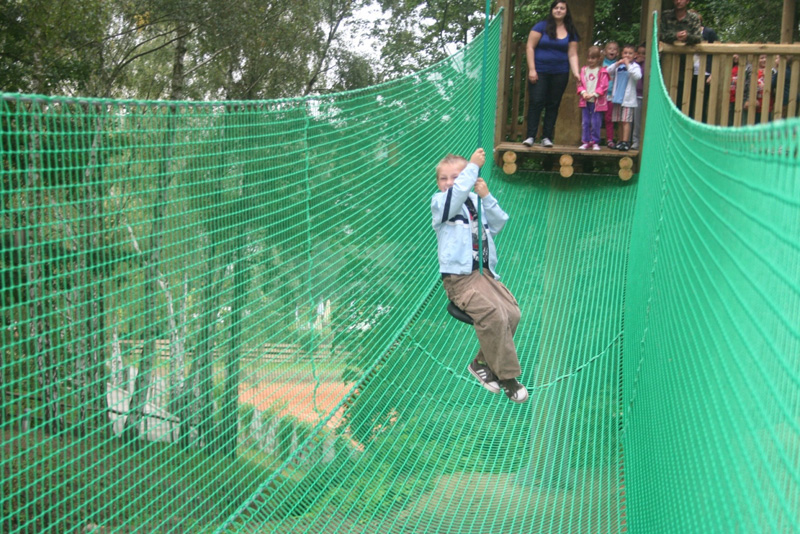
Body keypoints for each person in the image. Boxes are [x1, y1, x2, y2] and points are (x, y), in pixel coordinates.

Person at [431, 148, 527, 403]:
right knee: (493, 315)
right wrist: (472, 167)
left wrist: (486, 196)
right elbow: (454, 196)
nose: (449, 182)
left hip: (484, 276)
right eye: (444, 178)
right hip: (460, 280)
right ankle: (508, 378)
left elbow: (498, 223)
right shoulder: (441, 204)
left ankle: (481, 363)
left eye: (456, 177)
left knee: (512, 313)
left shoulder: (475, 201)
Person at [522, 1, 580, 148]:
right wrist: (532, 69)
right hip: (540, 71)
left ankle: (546, 137)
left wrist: (576, 72)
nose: (559, 10)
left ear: (566, 11)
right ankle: (530, 136)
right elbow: (530, 47)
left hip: (560, 72)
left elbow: (572, 54)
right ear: (552, 10)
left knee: (553, 104)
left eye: (562, 8)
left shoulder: (570, 30)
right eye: (556, 8)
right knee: (536, 101)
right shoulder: (540, 26)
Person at [607, 44, 642, 151]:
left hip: (627, 100)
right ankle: (620, 140)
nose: (627, 55)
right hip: (617, 98)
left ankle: (625, 142)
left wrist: (628, 65)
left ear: (635, 55)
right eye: (625, 53)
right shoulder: (618, 66)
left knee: (626, 121)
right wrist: (617, 64)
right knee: (619, 121)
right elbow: (608, 71)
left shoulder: (635, 66)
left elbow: (637, 76)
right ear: (622, 54)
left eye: (630, 53)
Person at [577, 46, 609, 150]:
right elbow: (579, 83)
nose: (590, 60)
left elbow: (604, 86)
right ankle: (585, 141)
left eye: (593, 58)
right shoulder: (584, 70)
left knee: (596, 122)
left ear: (599, 58)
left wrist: (594, 94)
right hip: (585, 100)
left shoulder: (602, 71)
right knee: (585, 122)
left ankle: (595, 142)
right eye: (589, 58)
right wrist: (583, 92)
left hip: (597, 102)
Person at [602, 41, 620, 148]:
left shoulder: (619, 65)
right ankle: (592, 139)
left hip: (611, 96)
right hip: (600, 95)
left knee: (609, 118)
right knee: (596, 117)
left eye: (614, 49)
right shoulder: (600, 63)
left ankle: (609, 139)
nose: (612, 50)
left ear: (617, 53)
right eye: (610, 48)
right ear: (605, 51)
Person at [631, 43, 646, 150]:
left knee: (643, 120)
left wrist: (643, 62)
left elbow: (644, 74)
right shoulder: (634, 64)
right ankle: (635, 140)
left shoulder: (647, 64)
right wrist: (636, 62)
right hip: (636, 95)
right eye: (639, 53)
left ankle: (644, 141)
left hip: (645, 95)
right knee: (636, 120)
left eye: (644, 53)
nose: (641, 55)